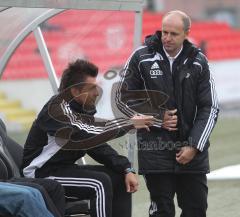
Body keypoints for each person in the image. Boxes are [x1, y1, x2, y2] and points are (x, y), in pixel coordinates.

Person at [116, 10, 219, 217]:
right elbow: (122, 98)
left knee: (196, 210)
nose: (167, 38)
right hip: (155, 151)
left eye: (174, 33)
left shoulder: (198, 61)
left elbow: (210, 107)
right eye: (164, 32)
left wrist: (195, 145)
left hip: (192, 155)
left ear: (186, 33)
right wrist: (156, 117)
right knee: (161, 211)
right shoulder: (141, 56)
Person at [21, 59, 154, 217]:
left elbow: (96, 145)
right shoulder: (56, 110)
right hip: (40, 173)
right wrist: (128, 124)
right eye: (91, 88)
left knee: (119, 178)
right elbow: (84, 134)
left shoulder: (82, 109)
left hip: (63, 169)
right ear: (75, 92)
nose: (97, 93)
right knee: (99, 184)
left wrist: (126, 168)